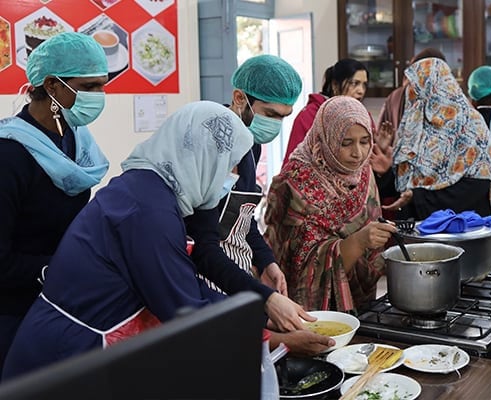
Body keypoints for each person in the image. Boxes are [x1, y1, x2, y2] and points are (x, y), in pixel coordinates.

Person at [1, 101, 315, 380]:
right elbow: (185, 311)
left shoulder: (153, 191)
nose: (230, 177)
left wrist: (261, 310)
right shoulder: (147, 212)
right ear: (201, 157)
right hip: (65, 360)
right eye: (227, 166)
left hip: (82, 350)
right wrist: (271, 335)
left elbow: (185, 282)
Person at [184, 55, 334, 355]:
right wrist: (264, 297)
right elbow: (202, 247)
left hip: (236, 272)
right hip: (201, 277)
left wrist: (267, 261)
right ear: (240, 98)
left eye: (283, 116)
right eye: (270, 114)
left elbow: (244, 217)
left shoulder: (251, 145)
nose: (276, 124)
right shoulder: (206, 144)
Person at [0, 32, 110, 379]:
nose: (99, 97)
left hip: (59, 304)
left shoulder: (75, 140)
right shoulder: (10, 155)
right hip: (12, 315)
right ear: (51, 86)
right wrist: (62, 268)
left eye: (103, 86)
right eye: (89, 87)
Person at [264, 96, 397, 312]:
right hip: (308, 314)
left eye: (365, 141)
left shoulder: (363, 171)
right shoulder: (295, 181)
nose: (358, 153)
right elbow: (297, 266)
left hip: (364, 302)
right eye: (345, 143)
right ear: (325, 138)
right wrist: (357, 242)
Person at [381, 57, 491, 220]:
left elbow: (478, 184)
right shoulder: (415, 126)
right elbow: (403, 181)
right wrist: (385, 172)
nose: (410, 93)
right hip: (417, 226)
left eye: (416, 87)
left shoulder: (469, 126)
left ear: (434, 87)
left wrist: (418, 197)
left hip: (461, 227)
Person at [282, 58, 370, 164]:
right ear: (335, 85)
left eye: (364, 85)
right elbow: (293, 164)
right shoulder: (310, 115)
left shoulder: (363, 116)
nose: (361, 91)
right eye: (354, 83)